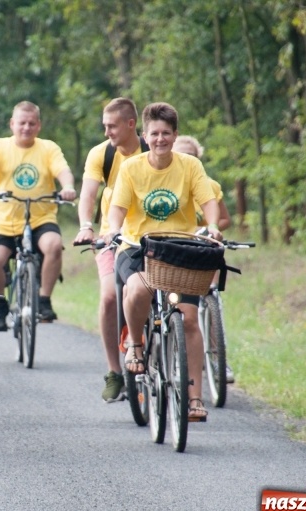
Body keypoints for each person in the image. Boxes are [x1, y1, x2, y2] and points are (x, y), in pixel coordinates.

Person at [107, 102, 222, 422]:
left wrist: (212, 226)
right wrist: (113, 231)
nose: (160, 139)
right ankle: (135, 343)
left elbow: (208, 202)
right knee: (139, 289)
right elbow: (117, 208)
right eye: (154, 133)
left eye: (166, 134)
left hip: (178, 248)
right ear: (144, 135)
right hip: (136, 248)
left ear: (175, 135)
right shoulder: (132, 168)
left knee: (188, 318)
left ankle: (194, 398)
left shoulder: (189, 166)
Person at [74, 97, 148, 403]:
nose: (107, 132)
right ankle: (114, 372)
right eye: (104, 126)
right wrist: (85, 226)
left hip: (148, 236)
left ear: (131, 124)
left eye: (112, 126)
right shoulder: (101, 154)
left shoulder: (150, 150)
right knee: (109, 296)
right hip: (111, 236)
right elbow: (88, 195)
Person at [0, 101, 76, 330]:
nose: (26, 128)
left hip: (40, 218)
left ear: (38, 126)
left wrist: (68, 187)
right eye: (22, 123)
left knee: (53, 245)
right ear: (12, 124)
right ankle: (0, 303)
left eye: (32, 123)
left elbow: (63, 171)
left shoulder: (48, 148)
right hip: (4, 220)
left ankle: (44, 300)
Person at [172, 134, 234, 384]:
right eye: (182, 154)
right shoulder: (168, 184)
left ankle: (219, 359)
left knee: (212, 296)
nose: (186, 158)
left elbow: (225, 219)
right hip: (175, 248)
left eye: (191, 155)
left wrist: (211, 228)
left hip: (202, 246)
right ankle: (175, 358)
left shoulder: (210, 185)